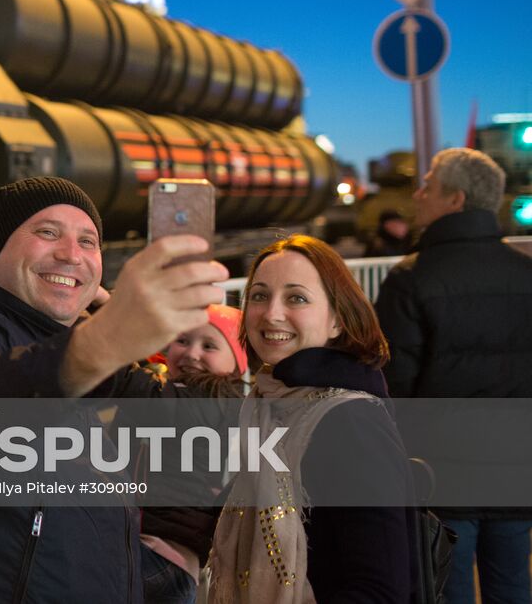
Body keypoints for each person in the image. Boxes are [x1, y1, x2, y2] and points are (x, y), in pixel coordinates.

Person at [0, 176, 228, 604]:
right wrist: (107, 337)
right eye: (47, 232)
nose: (70, 254)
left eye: (88, 242)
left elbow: (198, 420)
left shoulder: (83, 354)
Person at [209, 235, 414, 604]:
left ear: (337, 320)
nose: (271, 313)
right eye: (259, 295)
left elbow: (381, 589)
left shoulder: (350, 420)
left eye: (296, 298)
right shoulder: (271, 404)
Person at [375, 147, 532, 604]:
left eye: (428, 185)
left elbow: (393, 386)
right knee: (513, 586)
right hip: (517, 467)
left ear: (456, 200)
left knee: (446, 586)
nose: (418, 194)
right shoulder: (527, 274)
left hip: (441, 473)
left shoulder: (412, 277)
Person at [132, 305, 249, 604]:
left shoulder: (214, 399)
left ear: (237, 364)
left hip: (161, 555)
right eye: (182, 340)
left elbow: (138, 390)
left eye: (209, 345)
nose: (192, 353)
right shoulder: (186, 394)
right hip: (169, 557)